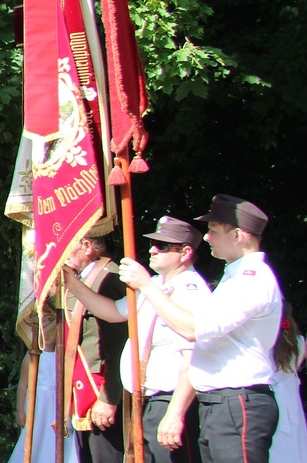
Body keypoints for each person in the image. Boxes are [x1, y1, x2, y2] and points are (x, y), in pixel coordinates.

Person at [120, 194, 283, 463]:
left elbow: (193, 329)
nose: (206, 237)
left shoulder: (252, 279)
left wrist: (147, 286)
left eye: (214, 230)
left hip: (238, 400)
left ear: (237, 235)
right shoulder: (234, 277)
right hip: (220, 403)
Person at [63, 216, 210, 463]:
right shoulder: (157, 284)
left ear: (185, 253)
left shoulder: (190, 289)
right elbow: (112, 312)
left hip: (172, 400)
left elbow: (193, 355)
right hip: (148, 400)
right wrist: (72, 282)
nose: (153, 250)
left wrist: (175, 413)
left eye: (162, 246)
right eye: (153, 244)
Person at [57, 236, 128, 463]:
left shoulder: (109, 278)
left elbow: (119, 346)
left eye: (67, 245)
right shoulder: (83, 278)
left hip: (100, 390)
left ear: (87, 246)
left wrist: (109, 398)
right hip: (83, 391)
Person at [270, 316, 307, 461]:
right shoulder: (298, 342)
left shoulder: (263, 345)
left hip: (269, 401)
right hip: (292, 402)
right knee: (296, 445)